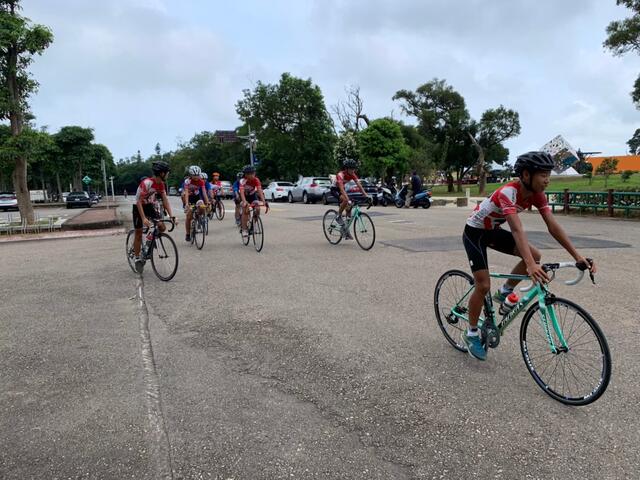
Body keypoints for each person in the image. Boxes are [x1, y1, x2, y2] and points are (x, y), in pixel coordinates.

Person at [461, 151, 596, 361]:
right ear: (526, 175)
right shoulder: (508, 192)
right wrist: (530, 265)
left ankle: (505, 291)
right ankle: (471, 334)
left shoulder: (536, 194)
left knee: (535, 254)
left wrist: (578, 256)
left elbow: (553, 226)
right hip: (475, 233)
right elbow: (517, 229)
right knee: (483, 285)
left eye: (548, 174)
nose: (547, 180)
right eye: (543, 175)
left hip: (492, 230)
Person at [132, 161, 176, 272]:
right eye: (167, 173)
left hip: (149, 206)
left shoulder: (161, 184)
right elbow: (139, 202)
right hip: (138, 206)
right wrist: (144, 218)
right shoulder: (147, 183)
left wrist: (171, 216)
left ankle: (149, 242)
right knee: (138, 233)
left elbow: (165, 200)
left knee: (161, 226)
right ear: (161, 173)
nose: (168, 174)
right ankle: (137, 259)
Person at [330, 159, 370, 240]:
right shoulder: (340, 175)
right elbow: (341, 189)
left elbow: (359, 185)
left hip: (342, 189)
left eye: (354, 168)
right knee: (346, 200)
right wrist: (348, 200)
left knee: (349, 209)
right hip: (335, 189)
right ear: (346, 168)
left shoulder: (352, 174)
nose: (353, 170)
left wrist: (366, 195)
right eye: (351, 169)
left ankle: (345, 230)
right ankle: (338, 216)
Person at [181, 165, 210, 242]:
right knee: (189, 216)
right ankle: (187, 234)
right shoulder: (187, 181)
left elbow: (204, 193)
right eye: (194, 175)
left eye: (197, 175)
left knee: (202, 207)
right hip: (189, 198)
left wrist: (207, 202)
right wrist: (187, 203)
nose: (196, 177)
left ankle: (198, 218)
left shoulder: (201, 181)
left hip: (197, 198)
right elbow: (186, 193)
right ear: (190, 175)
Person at [238, 165, 268, 237]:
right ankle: (244, 229)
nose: (251, 175)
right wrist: (245, 202)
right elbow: (241, 192)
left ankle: (254, 224)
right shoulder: (243, 180)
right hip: (244, 197)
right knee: (245, 209)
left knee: (257, 208)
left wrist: (263, 201)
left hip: (252, 196)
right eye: (249, 174)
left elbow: (259, 190)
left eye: (253, 173)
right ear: (245, 174)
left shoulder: (256, 180)